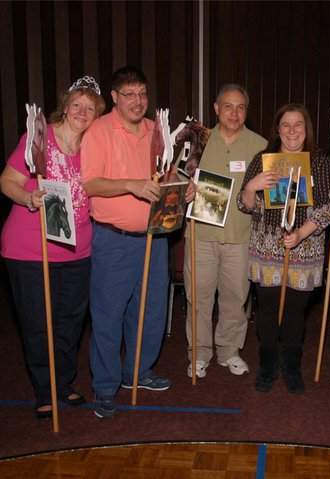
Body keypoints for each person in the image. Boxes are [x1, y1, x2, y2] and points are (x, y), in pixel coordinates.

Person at [81, 66, 194, 419]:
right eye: (129, 94)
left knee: (150, 311)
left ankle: (136, 372)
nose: (137, 101)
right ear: (114, 97)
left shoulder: (156, 129)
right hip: (113, 241)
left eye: (142, 94)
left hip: (154, 237)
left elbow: (166, 174)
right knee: (108, 316)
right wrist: (131, 184)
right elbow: (91, 183)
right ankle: (104, 386)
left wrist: (182, 187)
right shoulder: (98, 131)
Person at [0, 76, 106, 419]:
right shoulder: (40, 140)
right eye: (77, 104)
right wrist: (29, 197)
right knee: (37, 322)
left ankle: (63, 383)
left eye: (90, 108)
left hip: (78, 251)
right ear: (65, 106)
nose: (82, 111)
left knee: (71, 322)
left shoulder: (94, 146)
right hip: (31, 249)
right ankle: (44, 390)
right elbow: (7, 181)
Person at [239, 103, 330, 394]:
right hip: (266, 248)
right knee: (267, 310)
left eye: (298, 125)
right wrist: (251, 187)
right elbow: (245, 206)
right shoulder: (262, 159)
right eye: (285, 125)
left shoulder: (319, 162)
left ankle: (292, 368)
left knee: (295, 311)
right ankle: (268, 366)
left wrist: (301, 233)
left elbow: (328, 206)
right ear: (277, 129)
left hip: (304, 249)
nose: (292, 131)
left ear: (306, 129)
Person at [183, 84, 267, 379]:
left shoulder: (260, 145)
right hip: (201, 235)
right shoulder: (197, 142)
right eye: (228, 106)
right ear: (216, 108)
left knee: (235, 298)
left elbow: (270, 197)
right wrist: (185, 190)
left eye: (241, 107)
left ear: (247, 111)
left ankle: (229, 351)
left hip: (241, 237)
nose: (234, 113)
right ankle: (199, 354)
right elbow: (174, 178)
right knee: (198, 298)